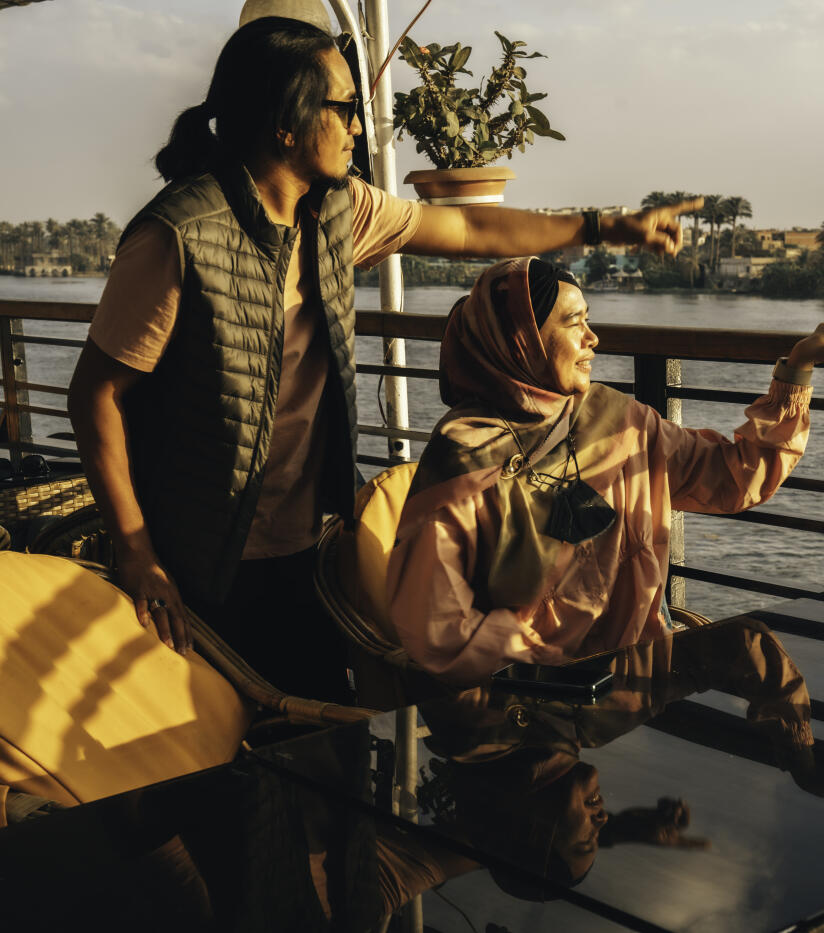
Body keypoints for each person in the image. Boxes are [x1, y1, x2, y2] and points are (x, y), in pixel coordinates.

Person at [66, 17, 699, 701]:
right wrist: (135, 551)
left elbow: (468, 225)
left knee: (319, 746)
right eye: (344, 109)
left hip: (303, 544)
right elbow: (95, 395)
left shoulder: (338, 211)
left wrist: (605, 227)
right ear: (287, 123)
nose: (359, 129)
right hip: (197, 555)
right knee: (217, 762)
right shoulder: (179, 237)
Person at [386, 257, 824, 682]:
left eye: (589, 320)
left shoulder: (617, 419)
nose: (593, 338)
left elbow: (734, 477)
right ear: (522, 340)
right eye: (573, 322)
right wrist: (547, 662)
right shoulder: (463, 456)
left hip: (639, 676)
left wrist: (799, 366)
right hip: (532, 699)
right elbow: (436, 624)